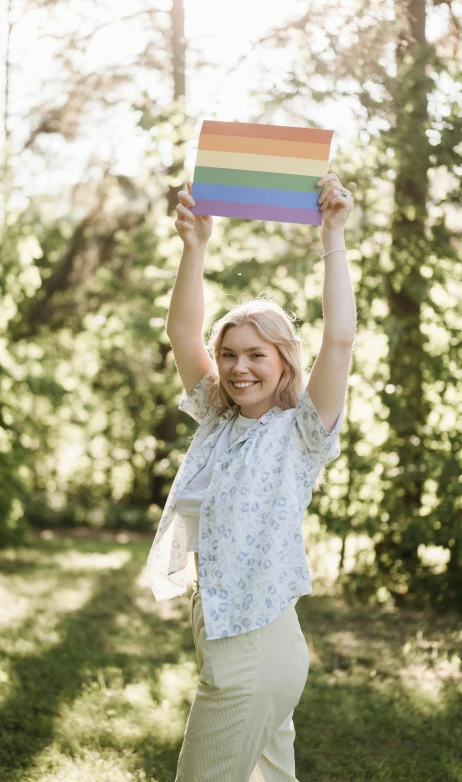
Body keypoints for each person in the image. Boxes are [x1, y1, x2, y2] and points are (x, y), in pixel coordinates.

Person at [146, 173, 356, 781]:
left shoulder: (300, 432)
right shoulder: (216, 419)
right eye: (230, 353)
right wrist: (195, 248)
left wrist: (333, 236)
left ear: (285, 360)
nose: (239, 368)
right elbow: (183, 333)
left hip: (255, 650)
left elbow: (339, 339)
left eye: (256, 354)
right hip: (222, 633)